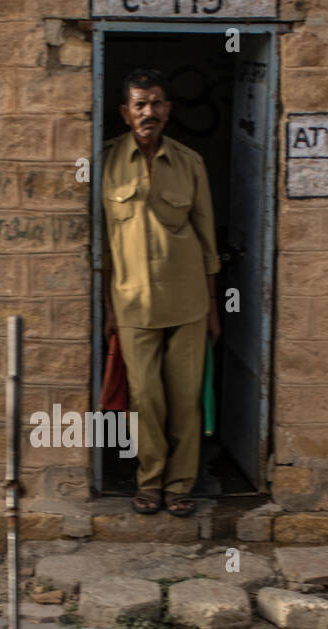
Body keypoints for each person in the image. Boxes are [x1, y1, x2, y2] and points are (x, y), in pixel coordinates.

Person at [101, 68, 220, 517]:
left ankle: (180, 484)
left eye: (156, 103)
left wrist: (212, 308)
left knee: (185, 399)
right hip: (131, 304)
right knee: (146, 398)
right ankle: (149, 480)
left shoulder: (190, 163)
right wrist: (106, 308)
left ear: (167, 109)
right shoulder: (107, 162)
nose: (148, 112)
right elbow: (100, 247)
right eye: (139, 104)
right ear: (125, 112)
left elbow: (208, 240)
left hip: (188, 303)